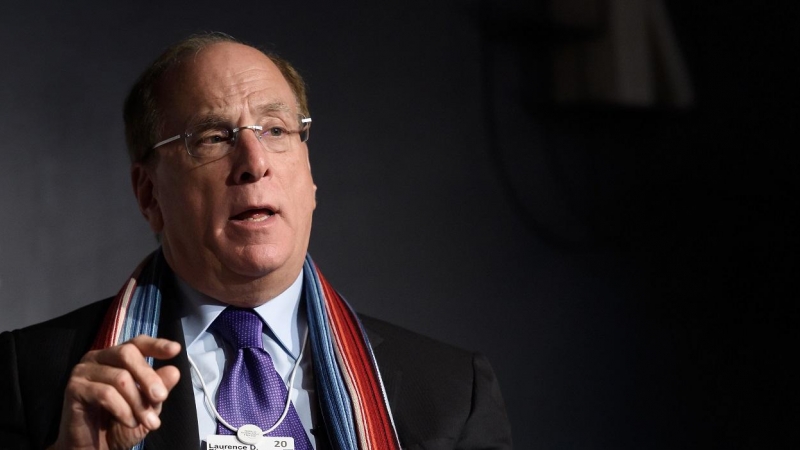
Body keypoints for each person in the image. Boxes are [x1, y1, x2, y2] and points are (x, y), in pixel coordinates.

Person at [0, 32, 512, 450]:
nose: (254, 161)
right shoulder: (29, 380)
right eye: (213, 137)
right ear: (149, 192)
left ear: (310, 180)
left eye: (276, 129)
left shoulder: (450, 393)